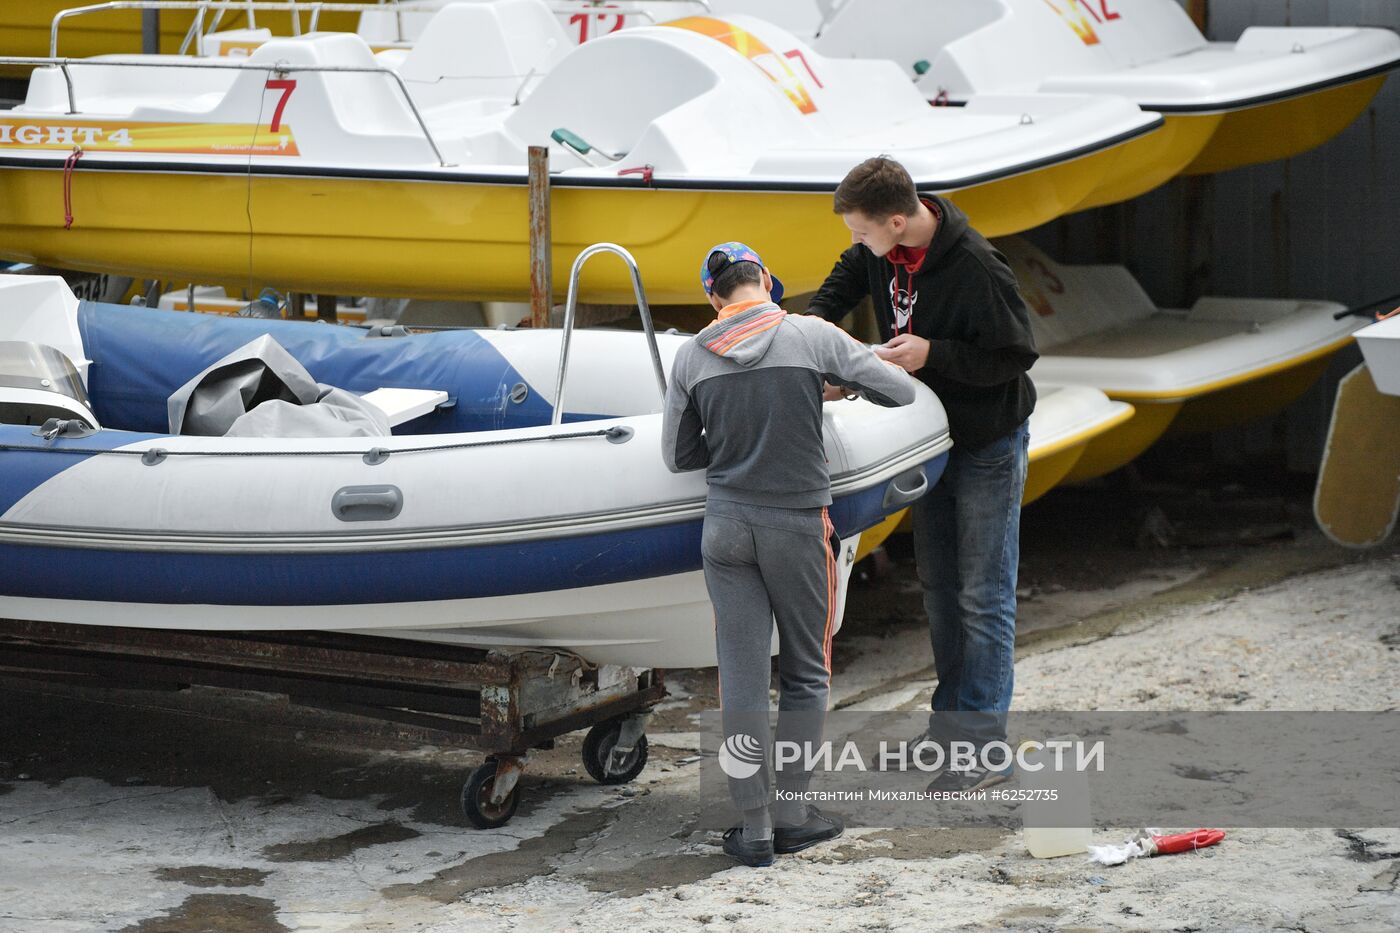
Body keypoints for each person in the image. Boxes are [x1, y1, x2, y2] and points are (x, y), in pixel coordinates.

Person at [662, 241, 918, 867]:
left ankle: (751, 831)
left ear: (712, 297)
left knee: (741, 679)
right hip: (798, 526)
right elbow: (900, 394)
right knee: (806, 671)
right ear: (768, 282)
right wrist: (829, 390)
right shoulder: (811, 335)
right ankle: (792, 816)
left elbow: (679, 456)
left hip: (725, 529)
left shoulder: (692, 357)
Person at [807, 156, 1038, 792]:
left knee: (983, 594)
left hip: (987, 439)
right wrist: (810, 334)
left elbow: (1017, 353)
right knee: (938, 585)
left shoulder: (977, 266)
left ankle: (983, 749)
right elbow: (840, 286)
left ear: (899, 220)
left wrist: (933, 353)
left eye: (860, 231)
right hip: (927, 437)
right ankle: (948, 734)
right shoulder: (879, 249)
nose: (855, 242)